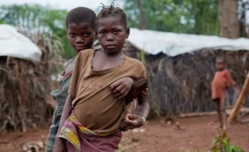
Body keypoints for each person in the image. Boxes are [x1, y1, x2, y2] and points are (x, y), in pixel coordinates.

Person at [53, 5, 150, 152]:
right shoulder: (84, 57)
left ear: (127, 32)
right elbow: (70, 98)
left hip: (105, 139)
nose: (109, 37)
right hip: (74, 131)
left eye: (116, 31)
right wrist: (59, 138)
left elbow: (144, 103)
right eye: (103, 32)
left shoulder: (135, 67)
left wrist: (141, 119)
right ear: (97, 34)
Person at [211, 56, 238, 130]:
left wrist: (226, 86)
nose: (220, 65)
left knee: (222, 108)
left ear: (224, 64)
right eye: (218, 64)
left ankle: (225, 125)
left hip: (222, 92)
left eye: (221, 64)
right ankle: (220, 124)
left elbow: (229, 82)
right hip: (215, 93)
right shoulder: (216, 73)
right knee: (218, 109)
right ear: (215, 65)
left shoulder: (226, 72)